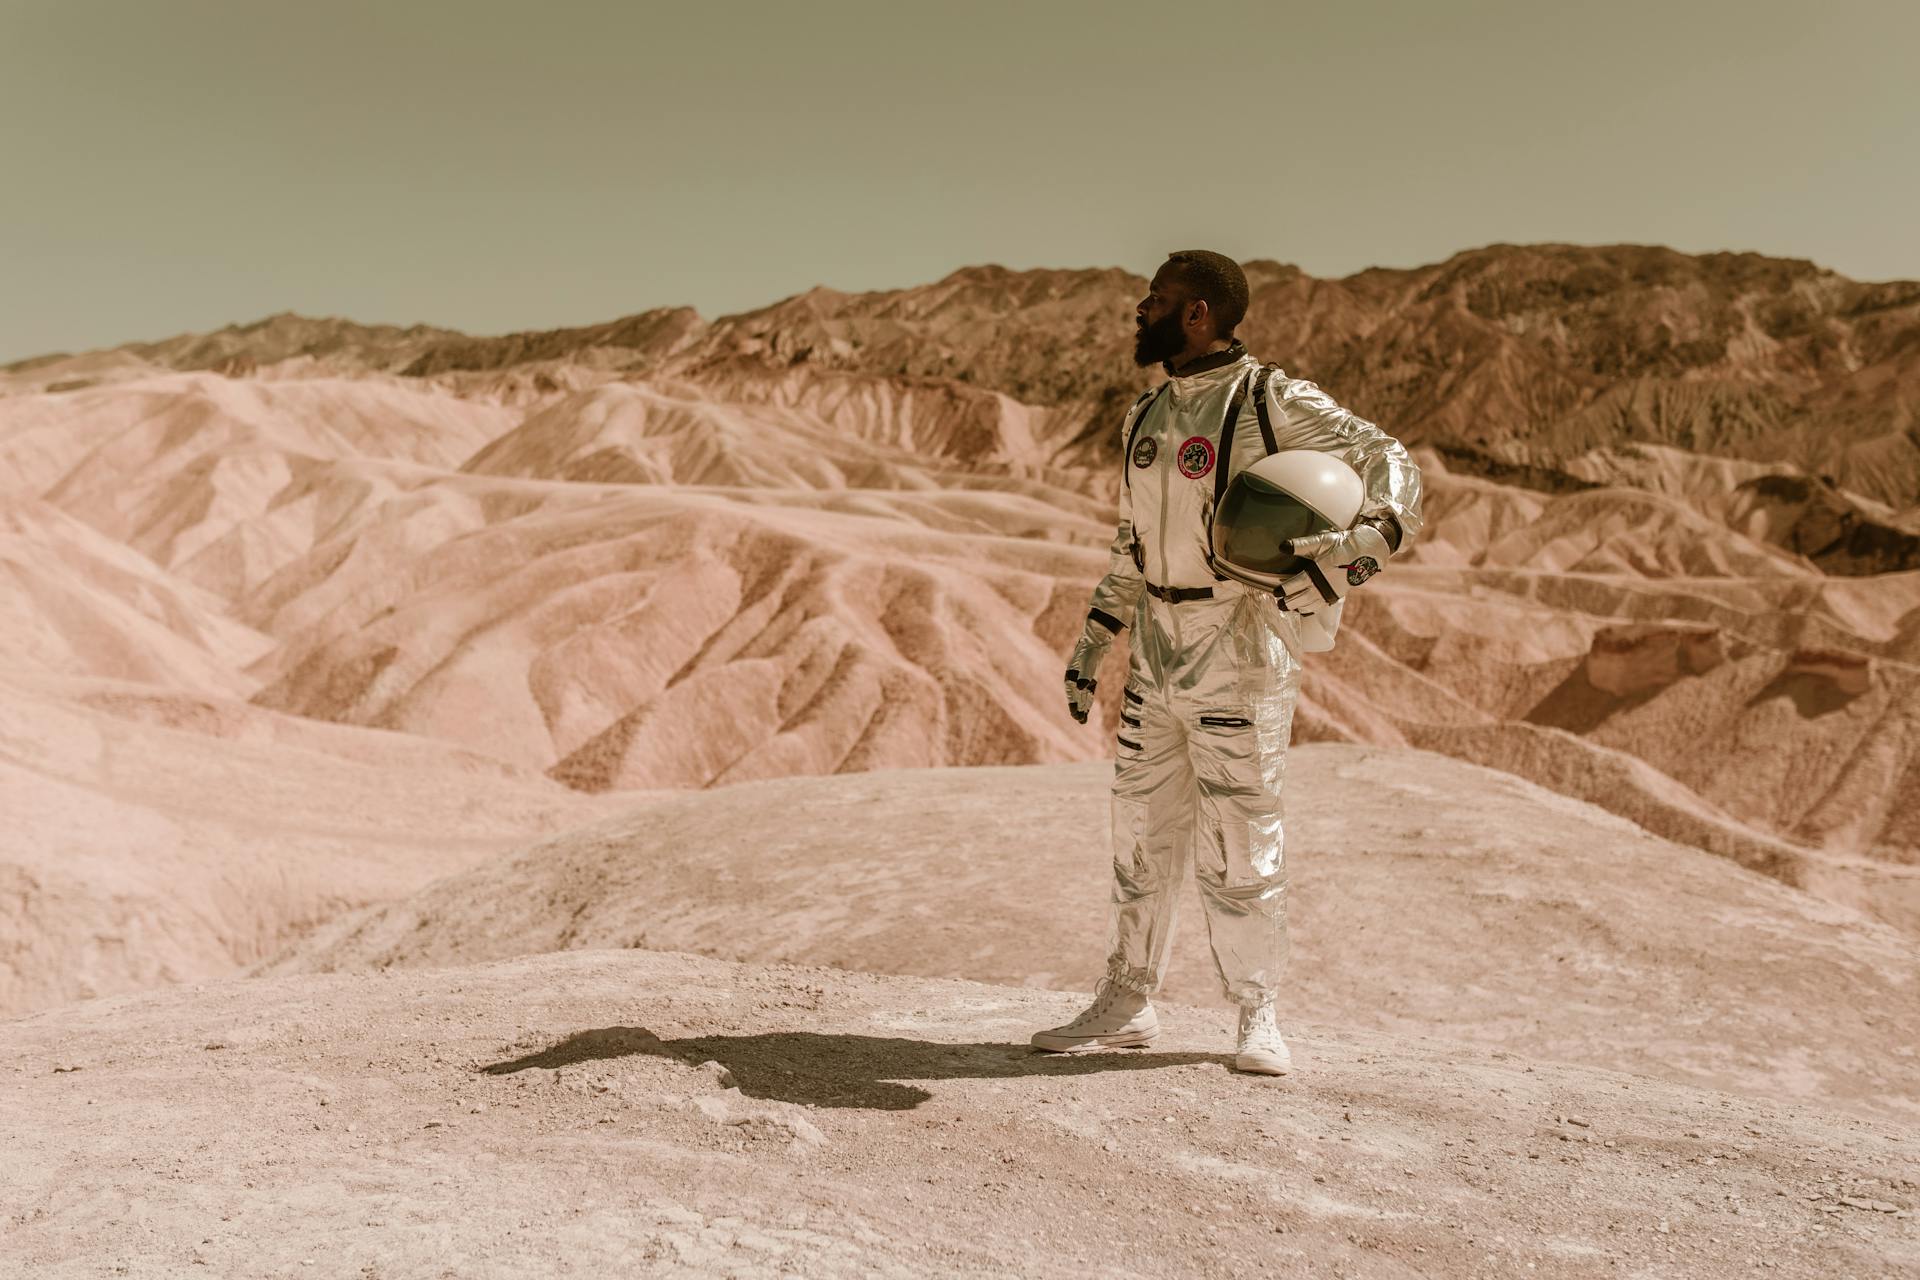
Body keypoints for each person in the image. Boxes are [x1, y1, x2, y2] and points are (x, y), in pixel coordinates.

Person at [1031, 250, 1424, 1075]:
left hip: (1237, 648)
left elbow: (1385, 454)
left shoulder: (1267, 400)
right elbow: (1130, 543)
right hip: (1157, 652)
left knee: (1242, 844)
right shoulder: (1145, 416)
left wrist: (1369, 540)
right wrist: (1094, 641)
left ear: (1199, 313)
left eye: (1158, 300)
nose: (1142, 309)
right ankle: (1128, 997)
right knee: (1139, 837)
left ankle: (1257, 1013)